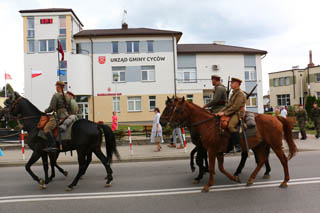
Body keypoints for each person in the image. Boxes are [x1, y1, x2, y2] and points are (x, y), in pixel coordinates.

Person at [216, 77, 246, 153]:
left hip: (238, 113)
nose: (231, 84)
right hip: (232, 112)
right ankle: (228, 146)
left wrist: (224, 113)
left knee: (230, 126)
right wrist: (220, 112)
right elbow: (228, 105)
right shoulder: (234, 93)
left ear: (237, 84)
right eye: (231, 83)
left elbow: (235, 107)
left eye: (232, 83)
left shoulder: (240, 94)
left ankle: (238, 145)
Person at [43, 81, 71, 152]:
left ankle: (53, 145)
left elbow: (52, 107)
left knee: (46, 128)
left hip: (58, 115)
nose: (56, 87)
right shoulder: (67, 96)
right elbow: (69, 107)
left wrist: (45, 111)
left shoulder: (56, 95)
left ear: (58, 87)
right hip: (66, 115)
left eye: (56, 86)